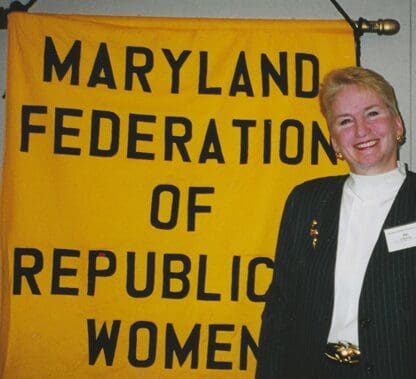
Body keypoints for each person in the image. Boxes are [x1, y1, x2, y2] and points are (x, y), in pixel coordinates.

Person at [255, 66, 416, 379]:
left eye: (372, 113)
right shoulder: (306, 201)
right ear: (333, 141)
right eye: (345, 121)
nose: (361, 130)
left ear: (397, 124)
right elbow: (280, 309)